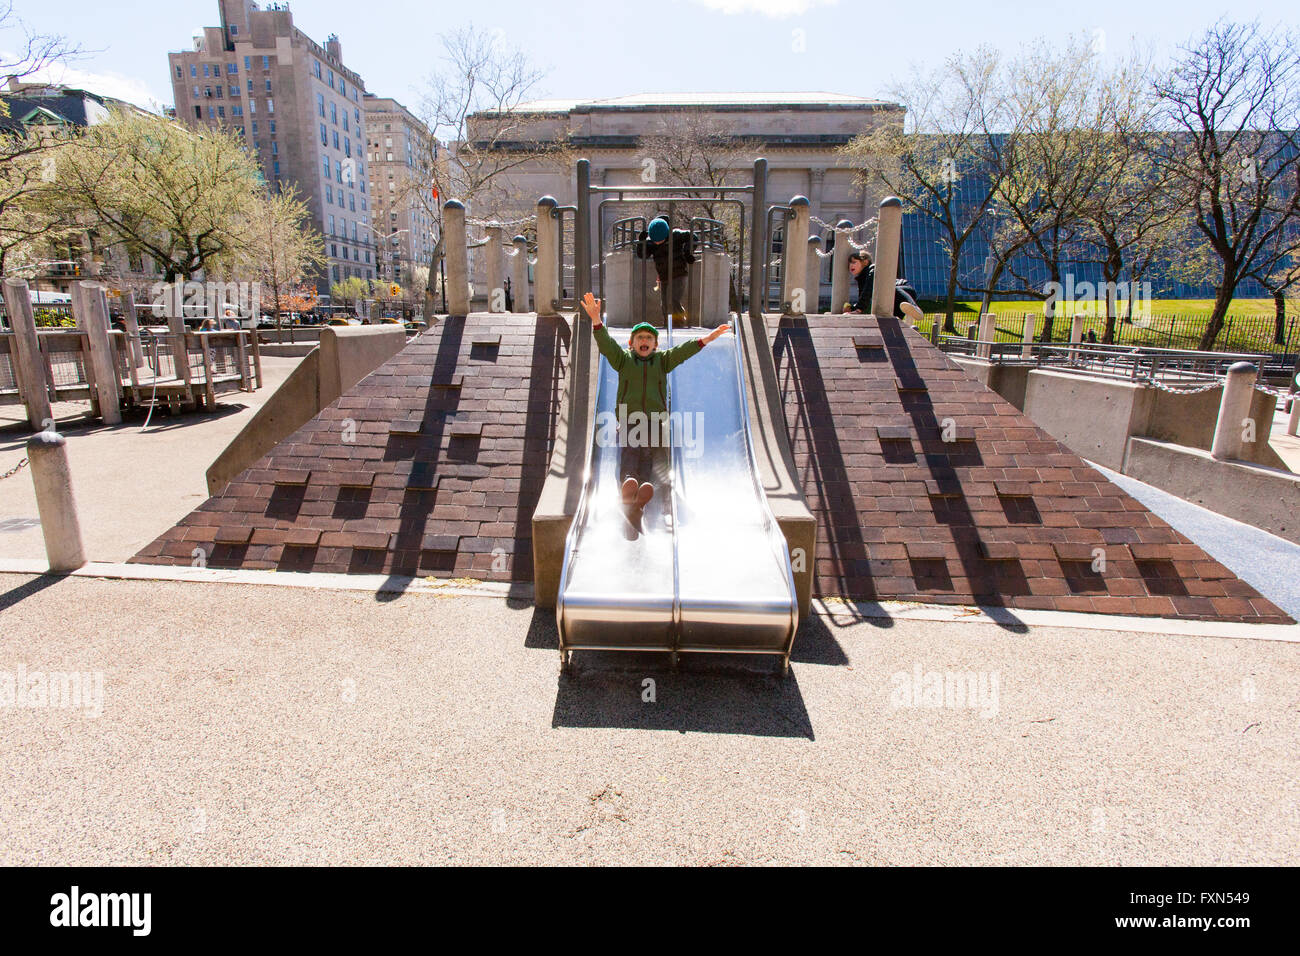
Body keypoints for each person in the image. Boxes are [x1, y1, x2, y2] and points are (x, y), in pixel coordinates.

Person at [580, 291, 731, 534]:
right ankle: (628, 489)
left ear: (655, 345)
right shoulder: (623, 360)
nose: (644, 340)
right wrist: (597, 321)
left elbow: (683, 351)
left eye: (649, 338)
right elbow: (607, 346)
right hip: (630, 420)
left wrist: (708, 338)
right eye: (640, 337)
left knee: (655, 458)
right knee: (630, 454)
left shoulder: (663, 361)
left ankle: (646, 496)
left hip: (656, 422)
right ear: (631, 343)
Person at [633, 216, 695, 325]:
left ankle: (679, 323)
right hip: (664, 276)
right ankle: (667, 323)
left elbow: (693, 237)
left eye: (660, 240)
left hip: (679, 273)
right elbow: (643, 255)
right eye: (655, 241)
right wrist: (641, 243)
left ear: (666, 234)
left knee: (673, 300)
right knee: (665, 303)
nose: (657, 243)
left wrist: (687, 252)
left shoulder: (676, 235)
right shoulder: (651, 241)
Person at [847, 249, 924, 323]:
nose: (850, 265)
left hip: (903, 291)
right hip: (893, 301)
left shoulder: (872, 270)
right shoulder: (861, 278)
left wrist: (858, 309)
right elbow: (862, 297)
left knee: (892, 289)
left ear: (865, 262)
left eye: (854, 262)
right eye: (849, 263)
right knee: (891, 322)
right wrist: (853, 309)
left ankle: (914, 307)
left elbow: (868, 290)